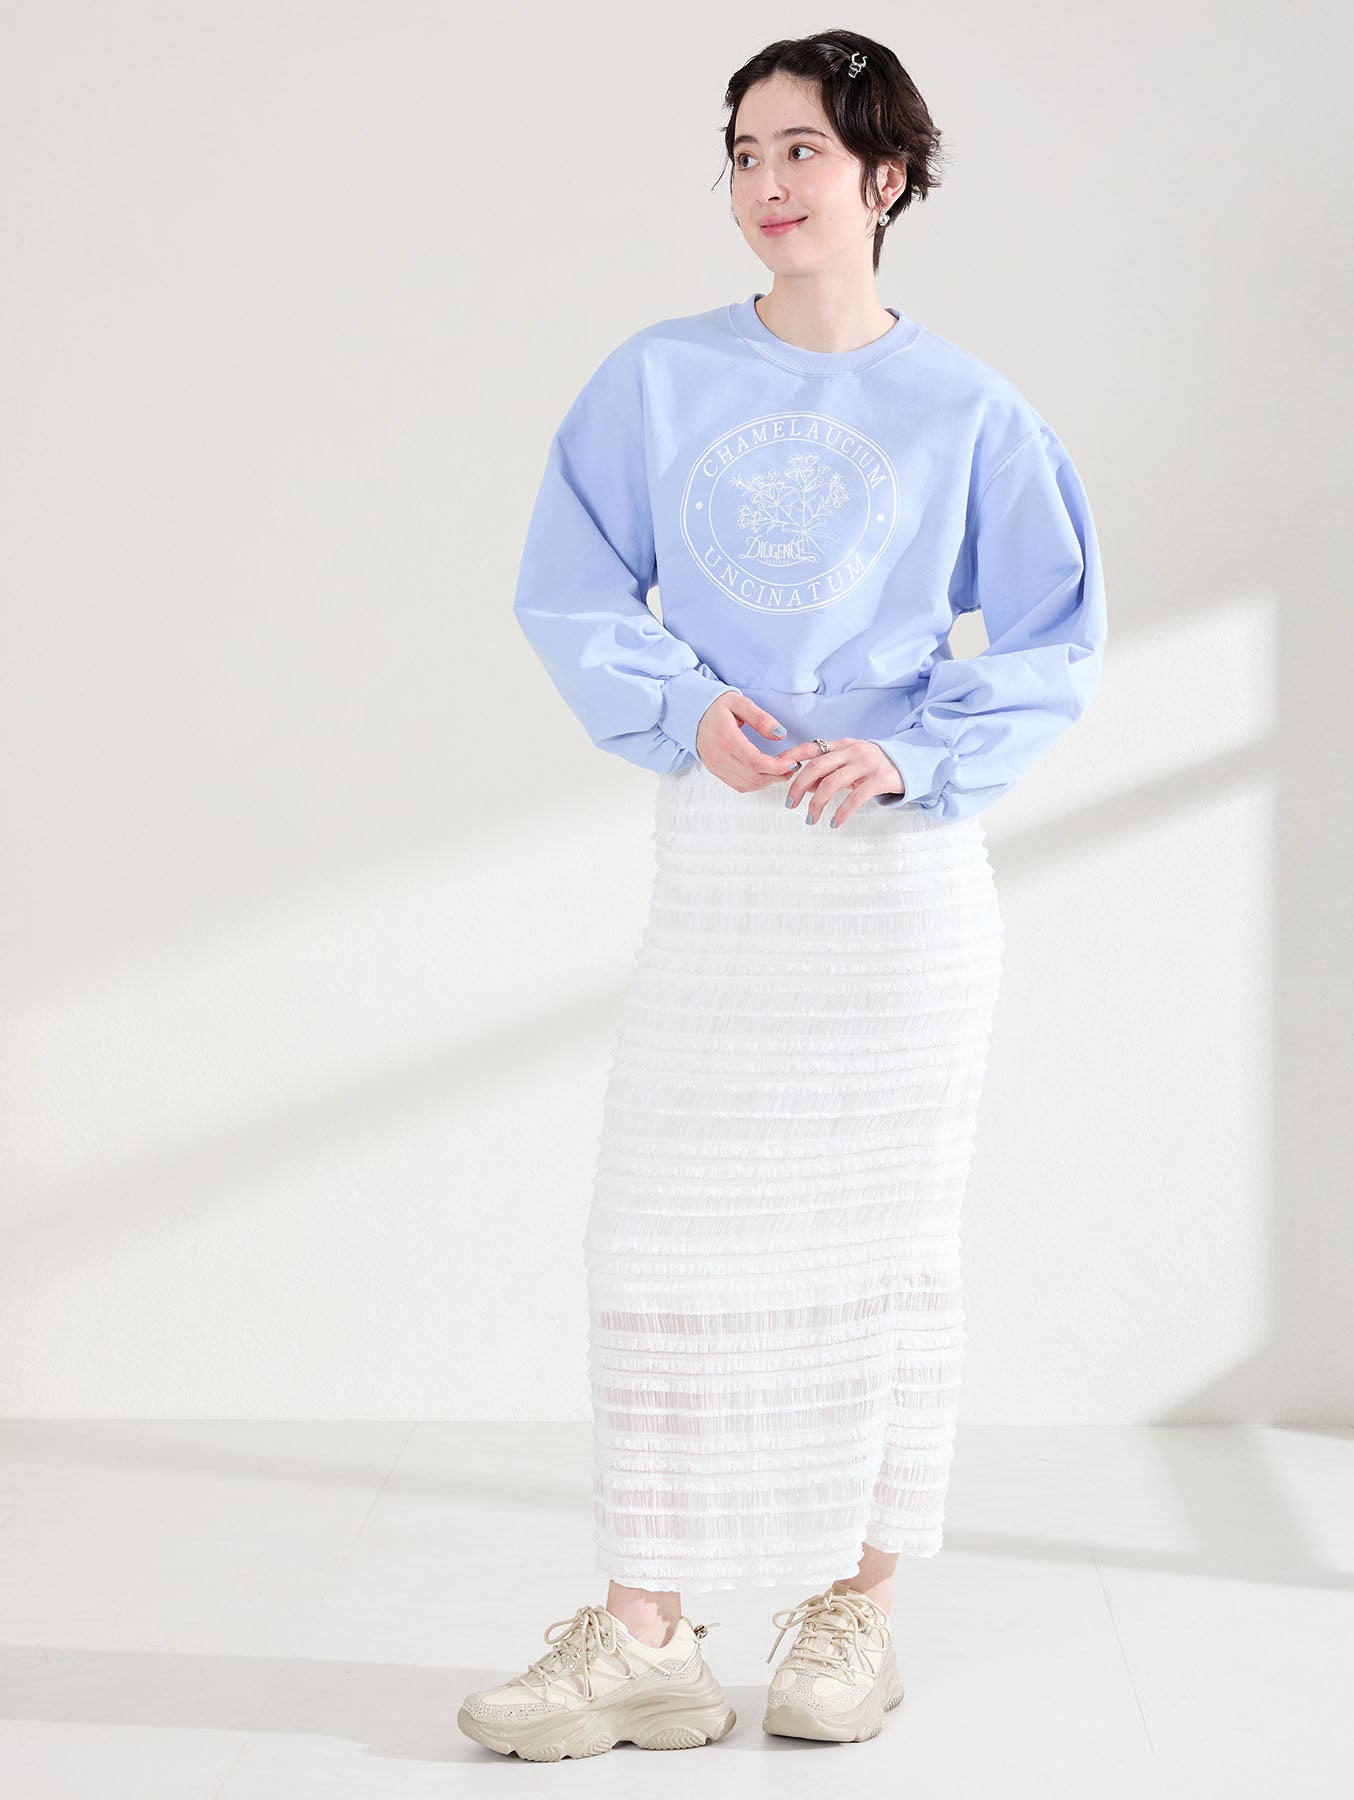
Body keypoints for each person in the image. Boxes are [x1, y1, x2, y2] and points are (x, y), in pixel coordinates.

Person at [457, 28, 1106, 1760]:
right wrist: (686, 711)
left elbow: (1053, 638)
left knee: (887, 1248)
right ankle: (645, 1635)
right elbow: (571, 587)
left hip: (898, 885)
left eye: (803, 149)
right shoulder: (657, 381)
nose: (765, 183)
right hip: (727, 858)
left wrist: (913, 754)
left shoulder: (971, 409)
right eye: (744, 152)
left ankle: (853, 1613)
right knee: (655, 1239)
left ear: (886, 177)